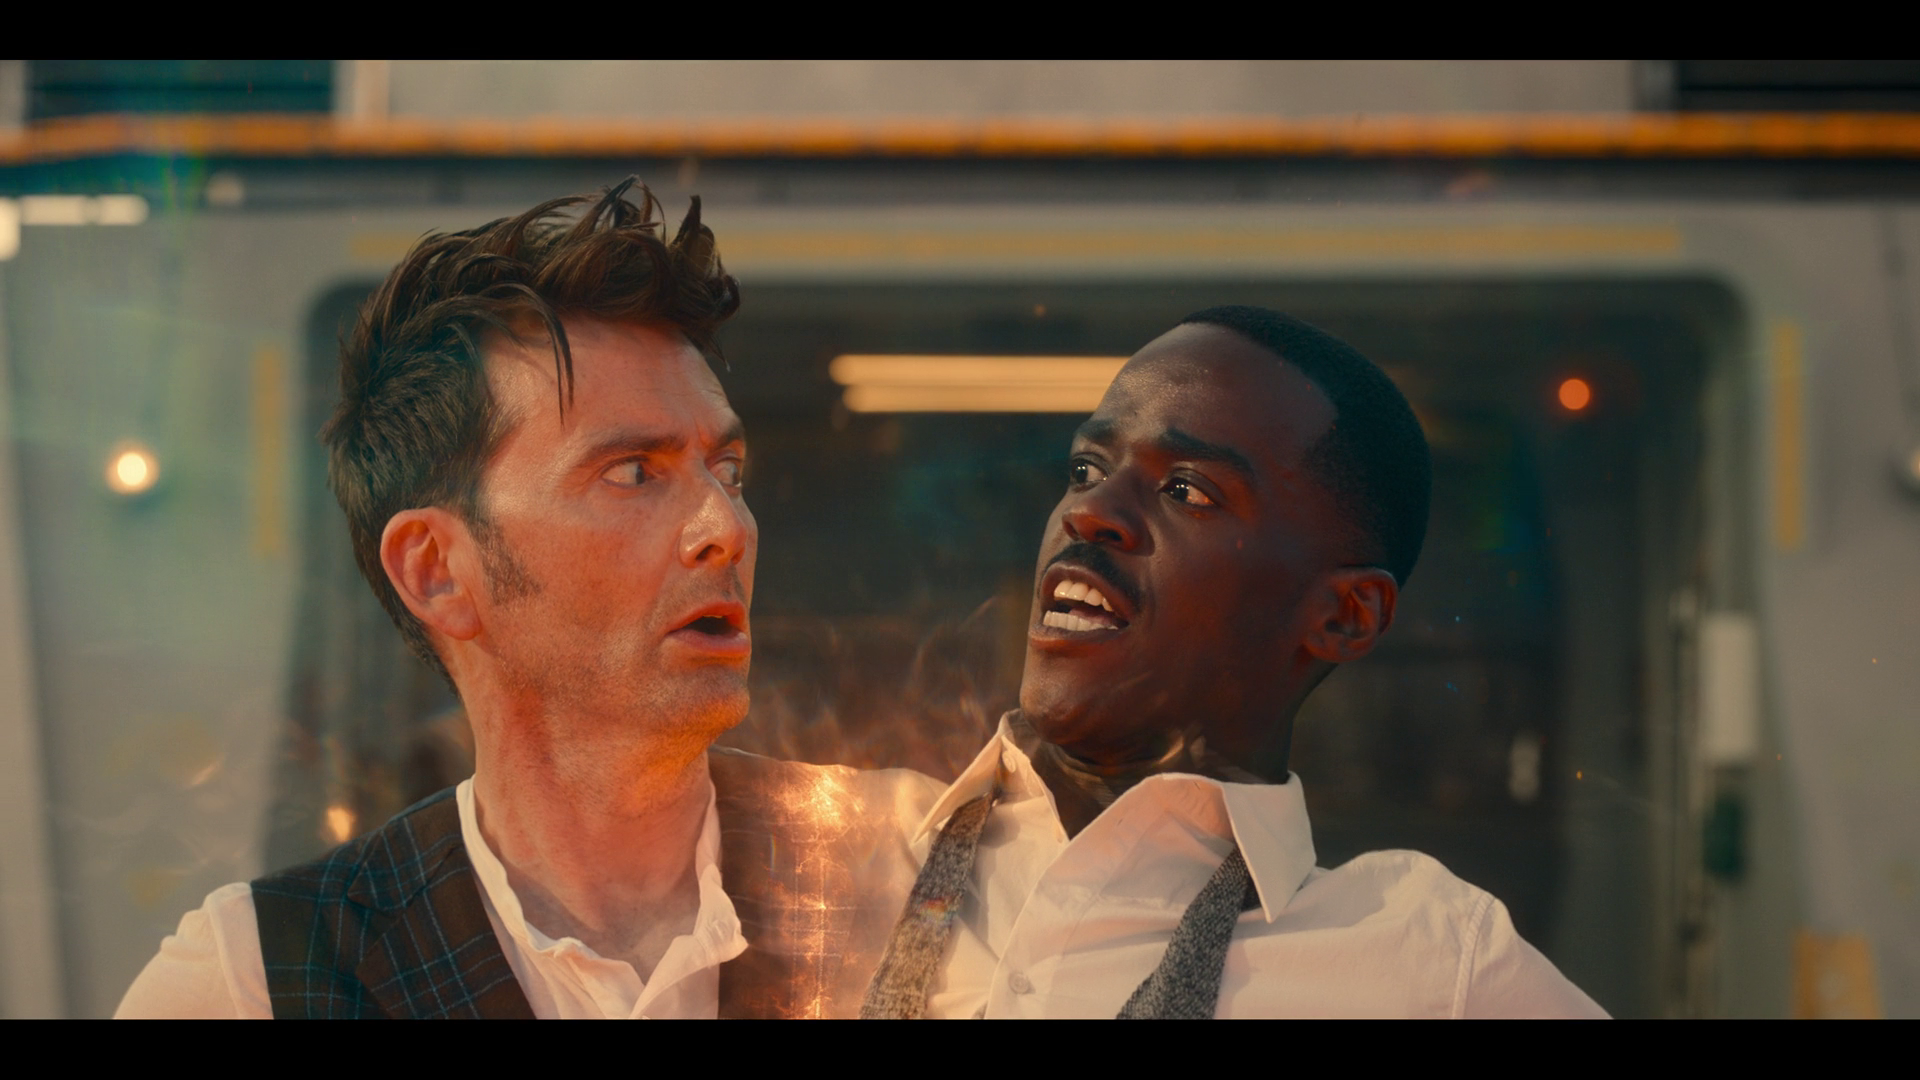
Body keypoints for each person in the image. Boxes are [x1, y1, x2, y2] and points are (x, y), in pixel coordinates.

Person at [117, 180, 933, 1019]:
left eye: (726, 470)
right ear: (436, 570)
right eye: (633, 473)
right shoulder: (257, 980)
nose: (724, 527)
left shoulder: (923, 875)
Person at [861, 306, 1608, 1019]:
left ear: (1344, 616)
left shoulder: (1427, 965)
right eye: (1086, 469)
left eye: (1186, 490)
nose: (1087, 512)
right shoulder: (838, 856)